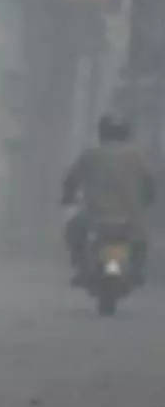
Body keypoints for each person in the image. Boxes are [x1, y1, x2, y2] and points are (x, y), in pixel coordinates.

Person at [62, 111, 156, 284]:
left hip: (95, 216)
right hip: (130, 218)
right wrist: (147, 201)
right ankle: (137, 271)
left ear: (102, 132)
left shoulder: (90, 154)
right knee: (141, 241)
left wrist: (67, 197)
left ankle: (81, 266)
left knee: (73, 229)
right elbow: (149, 183)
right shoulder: (137, 156)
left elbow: (71, 179)